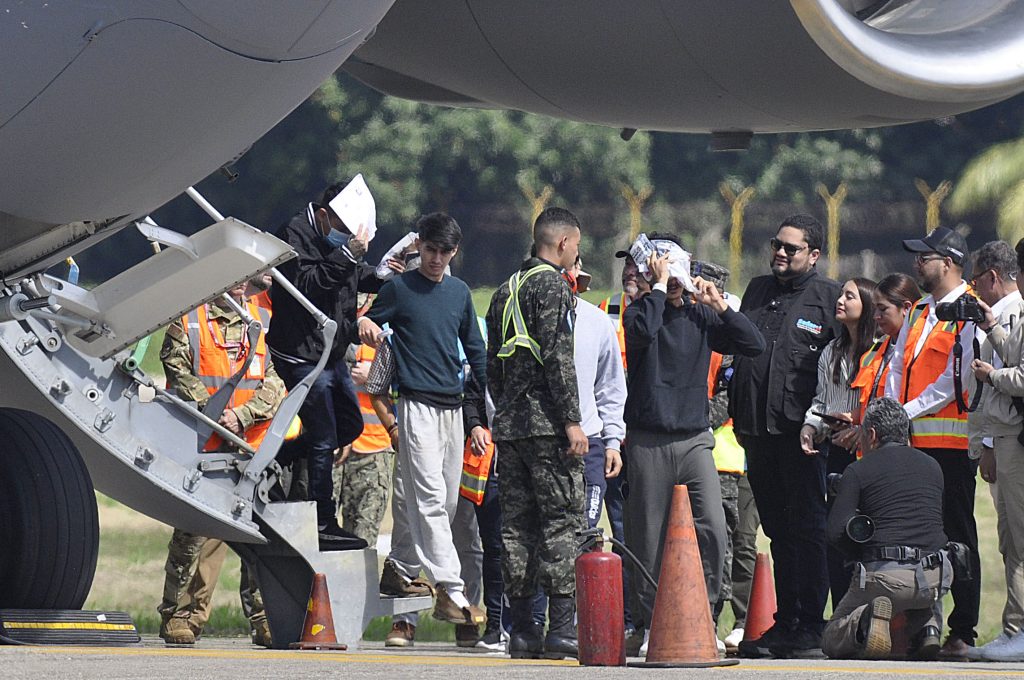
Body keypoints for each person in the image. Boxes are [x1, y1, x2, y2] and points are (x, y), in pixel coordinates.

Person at [624, 236, 765, 654]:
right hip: (649, 439)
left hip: (694, 440)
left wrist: (719, 304)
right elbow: (642, 333)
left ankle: (700, 614)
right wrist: (657, 288)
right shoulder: (640, 310)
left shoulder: (703, 318)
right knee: (648, 537)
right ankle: (653, 623)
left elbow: (753, 345)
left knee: (713, 530)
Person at [358, 212, 488, 638]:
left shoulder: (459, 293)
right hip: (414, 406)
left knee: (446, 503)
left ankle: (399, 567)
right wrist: (365, 323)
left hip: (452, 408)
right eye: (430, 250)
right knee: (430, 499)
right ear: (420, 247)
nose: (435, 259)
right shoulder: (400, 288)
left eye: (444, 252)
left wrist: (479, 416)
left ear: (454, 253)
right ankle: (452, 590)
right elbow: (366, 317)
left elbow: (475, 351)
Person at [730, 214, 842, 658]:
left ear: (813, 255)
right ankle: (786, 622)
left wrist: (826, 422)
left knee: (807, 528)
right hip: (757, 431)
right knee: (777, 530)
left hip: (803, 437)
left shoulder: (826, 296)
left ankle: (811, 624)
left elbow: (845, 362)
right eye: (776, 244)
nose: (780, 252)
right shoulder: (757, 290)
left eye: (791, 248)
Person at [157, 281, 284, 647]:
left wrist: (243, 415)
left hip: (249, 447)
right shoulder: (189, 320)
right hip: (201, 444)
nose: (241, 283)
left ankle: (265, 617)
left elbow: (273, 382)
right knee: (193, 534)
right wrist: (216, 416)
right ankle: (180, 616)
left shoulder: (257, 322)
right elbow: (178, 371)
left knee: (256, 534)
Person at [485, 207, 587, 660]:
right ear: (563, 243)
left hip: (510, 428)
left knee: (517, 529)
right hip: (548, 428)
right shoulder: (552, 286)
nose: (577, 254)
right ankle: (562, 630)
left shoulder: (503, 291)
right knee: (562, 522)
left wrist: (509, 410)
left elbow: (490, 367)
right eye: (577, 246)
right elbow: (559, 358)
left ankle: (524, 630)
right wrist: (571, 420)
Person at [267, 181, 381, 550]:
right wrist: (347, 254)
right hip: (299, 351)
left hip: (328, 351)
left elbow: (349, 277)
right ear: (325, 214)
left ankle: (277, 456)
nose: (346, 238)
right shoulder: (294, 233)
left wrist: (382, 273)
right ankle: (323, 519)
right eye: (344, 230)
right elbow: (308, 285)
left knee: (349, 425)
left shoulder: (342, 248)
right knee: (323, 436)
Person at [885, 226, 980, 658]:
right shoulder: (920, 311)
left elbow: (955, 380)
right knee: (920, 537)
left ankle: (964, 629)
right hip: (912, 444)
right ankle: (924, 627)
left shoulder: (969, 309)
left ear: (949, 260)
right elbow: (894, 368)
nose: (917, 264)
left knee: (958, 534)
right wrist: (889, 413)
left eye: (925, 257)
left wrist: (906, 411)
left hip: (952, 447)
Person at [821, 398, 951, 660]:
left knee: (831, 637)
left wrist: (859, 551)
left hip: (886, 579)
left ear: (871, 434)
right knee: (915, 589)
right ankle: (927, 628)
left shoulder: (858, 470)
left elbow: (834, 532)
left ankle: (866, 620)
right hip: (935, 579)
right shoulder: (933, 467)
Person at [801, 278, 877, 607]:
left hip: (870, 455)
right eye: (841, 294)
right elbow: (822, 400)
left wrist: (859, 422)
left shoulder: (880, 348)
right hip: (837, 452)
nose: (841, 301)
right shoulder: (831, 350)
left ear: (869, 305)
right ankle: (843, 611)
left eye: (850, 296)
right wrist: (811, 425)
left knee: (869, 532)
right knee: (837, 533)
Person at [967, 238, 1024, 662]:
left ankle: (1018, 630)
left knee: (1018, 539)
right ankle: (1013, 628)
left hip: (1013, 437)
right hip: (1006, 436)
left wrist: (992, 376)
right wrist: (993, 330)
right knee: (1010, 538)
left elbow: (1020, 377)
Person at [569, 258, 625, 529]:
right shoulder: (522, 315)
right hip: (539, 443)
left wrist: (612, 441)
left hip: (590, 444)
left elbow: (610, 387)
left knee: (586, 531)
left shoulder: (597, 321)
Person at [331, 337, 392, 547]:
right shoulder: (332, 328)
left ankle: (358, 581)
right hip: (334, 449)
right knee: (319, 536)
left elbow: (412, 383)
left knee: (363, 539)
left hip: (374, 452)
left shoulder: (388, 335)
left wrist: (375, 376)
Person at [849, 274, 922, 428]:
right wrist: (851, 419)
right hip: (872, 444)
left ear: (907, 308)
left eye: (882, 309)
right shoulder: (877, 349)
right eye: (875, 309)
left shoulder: (920, 351)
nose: (876, 316)